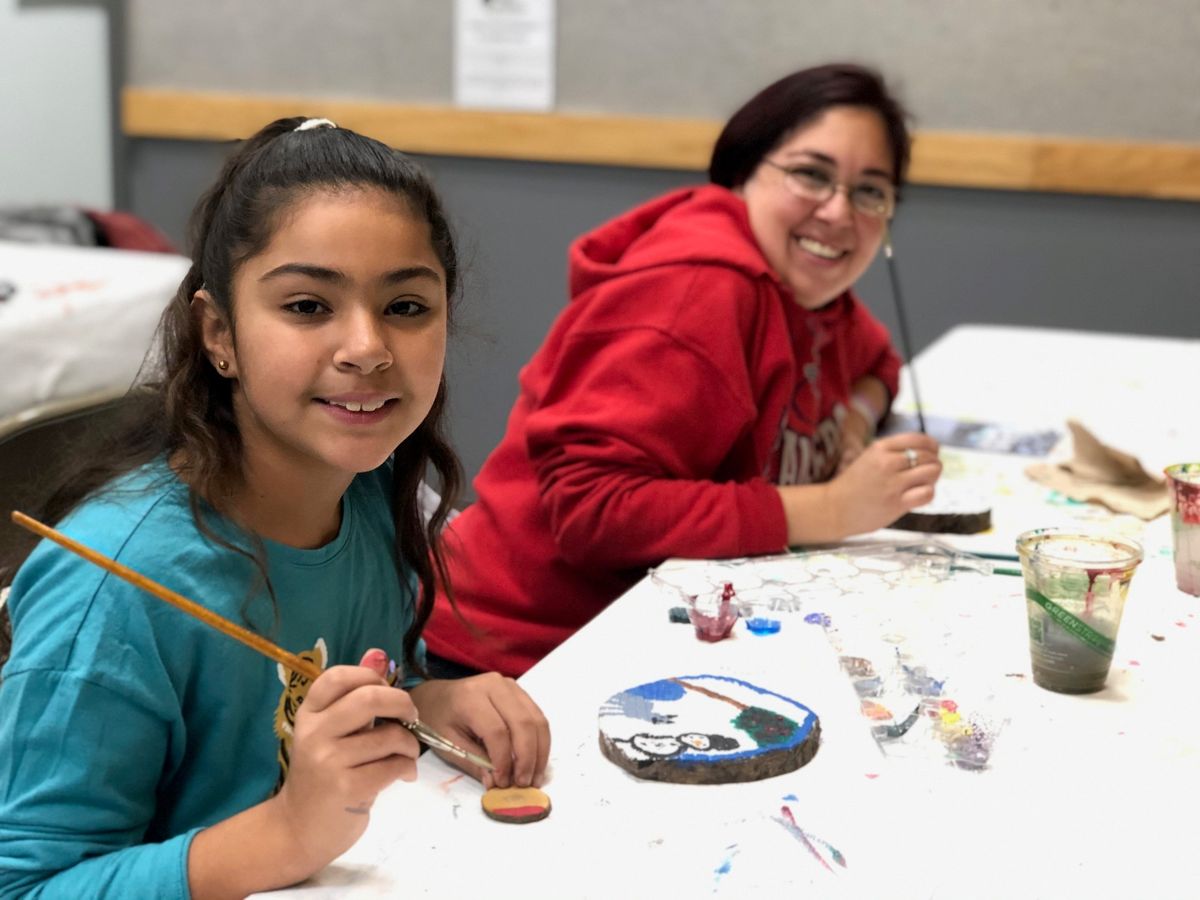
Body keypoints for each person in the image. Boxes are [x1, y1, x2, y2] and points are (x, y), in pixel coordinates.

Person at [0, 117, 549, 899]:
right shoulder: (116, 587)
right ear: (218, 333)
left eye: (405, 307)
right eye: (306, 306)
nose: (366, 347)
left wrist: (425, 702)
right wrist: (291, 831)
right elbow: (29, 887)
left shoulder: (363, 490)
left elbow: (327, 698)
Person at [425, 63, 942, 678]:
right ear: (743, 174)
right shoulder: (698, 290)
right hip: (522, 656)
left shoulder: (813, 295)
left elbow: (877, 360)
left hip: (652, 627)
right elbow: (592, 508)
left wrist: (850, 426)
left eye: (870, 192)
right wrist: (831, 507)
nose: (837, 213)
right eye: (811, 175)